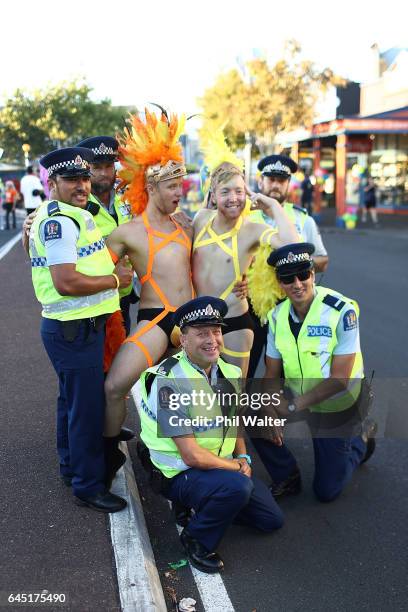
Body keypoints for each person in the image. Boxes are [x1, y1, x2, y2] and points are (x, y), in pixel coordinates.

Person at [137, 296, 284, 573]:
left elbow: (235, 421)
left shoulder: (228, 372)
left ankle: (207, 504)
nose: (212, 339)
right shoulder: (169, 382)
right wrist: (236, 467)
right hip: (177, 472)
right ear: (183, 339)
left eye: (216, 331)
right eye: (201, 333)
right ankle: (196, 538)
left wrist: (243, 457)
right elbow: (191, 456)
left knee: (270, 519)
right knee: (237, 488)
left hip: (216, 467)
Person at [28, 146, 133, 513]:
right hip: (73, 329)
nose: (82, 185)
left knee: (70, 403)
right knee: (85, 410)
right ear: (52, 182)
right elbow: (66, 281)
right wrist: (113, 280)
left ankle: (71, 469)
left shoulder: (71, 213)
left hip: (77, 327)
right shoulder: (59, 221)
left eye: (85, 177)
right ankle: (89, 486)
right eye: (72, 179)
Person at [251, 242, 377, 503]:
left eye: (303, 274)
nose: (297, 284)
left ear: (313, 273)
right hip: (299, 394)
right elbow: (272, 372)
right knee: (252, 410)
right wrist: (269, 407)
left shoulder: (341, 311)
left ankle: (361, 438)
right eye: (287, 278)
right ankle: (287, 474)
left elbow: (340, 379)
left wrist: (294, 406)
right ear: (279, 283)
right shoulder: (276, 316)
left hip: (337, 401)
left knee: (326, 491)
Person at [192, 161, 298, 377]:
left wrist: (272, 205)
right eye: (225, 192)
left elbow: (291, 246)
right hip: (197, 321)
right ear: (213, 195)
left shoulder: (252, 230)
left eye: (239, 191)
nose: (234, 198)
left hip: (234, 325)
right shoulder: (201, 219)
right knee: (196, 394)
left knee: (234, 397)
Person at [247, 154, 329, 379]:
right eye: (270, 178)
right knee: (244, 372)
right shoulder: (244, 216)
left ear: (288, 183)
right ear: (260, 180)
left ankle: (280, 411)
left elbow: (323, 260)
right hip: (250, 306)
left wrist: (295, 265)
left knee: (284, 372)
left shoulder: (303, 220)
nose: (275, 184)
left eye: (281, 180)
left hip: (290, 303)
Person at [76, 136, 136, 334]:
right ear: (86, 170)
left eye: (109, 166)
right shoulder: (76, 203)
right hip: (93, 299)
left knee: (121, 355)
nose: (104, 173)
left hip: (123, 295)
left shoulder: (127, 197)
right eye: (97, 167)